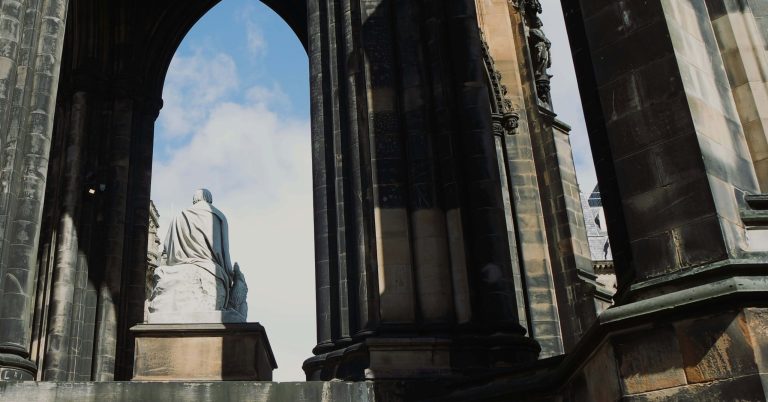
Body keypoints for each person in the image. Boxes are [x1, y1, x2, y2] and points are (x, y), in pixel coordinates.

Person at [148, 189, 247, 319]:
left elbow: (167, 248)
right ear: (209, 199)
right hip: (209, 271)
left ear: (194, 199)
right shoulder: (218, 216)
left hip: (176, 269)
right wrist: (228, 275)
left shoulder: (178, 217)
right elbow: (223, 251)